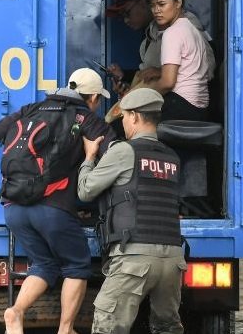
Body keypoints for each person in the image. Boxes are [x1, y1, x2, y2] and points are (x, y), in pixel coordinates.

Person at [0, 68, 116, 334]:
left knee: (44, 264)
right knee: (76, 265)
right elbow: (113, 150)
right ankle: (65, 329)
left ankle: (16, 311)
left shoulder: (32, 108)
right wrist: (89, 154)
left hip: (13, 207)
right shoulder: (84, 116)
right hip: (52, 208)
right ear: (93, 97)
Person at [78, 88, 185, 334]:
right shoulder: (172, 157)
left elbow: (85, 191)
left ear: (135, 117)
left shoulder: (124, 151)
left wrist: (89, 157)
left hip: (134, 258)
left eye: (124, 117)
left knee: (108, 326)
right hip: (172, 261)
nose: (123, 123)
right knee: (167, 328)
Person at [105, 0, 215, 102]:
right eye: (121, 17)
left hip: (182, 107)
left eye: (127, 12)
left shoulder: (185, 24)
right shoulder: (150, 35)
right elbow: (148, 75)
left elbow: (206, 69)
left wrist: (162, 73)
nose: (126, 20)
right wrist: (125, 80)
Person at [136, 0, 213, 122]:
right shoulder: (190, 28)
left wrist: (140, 97)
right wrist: (158, 71)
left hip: (181, 105)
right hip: (199, 107)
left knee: (124, 124)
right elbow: (187, 69)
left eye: (162, 4)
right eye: (153, 6)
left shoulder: (172, 32)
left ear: (178, 2)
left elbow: (167, 82)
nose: (156, 10)